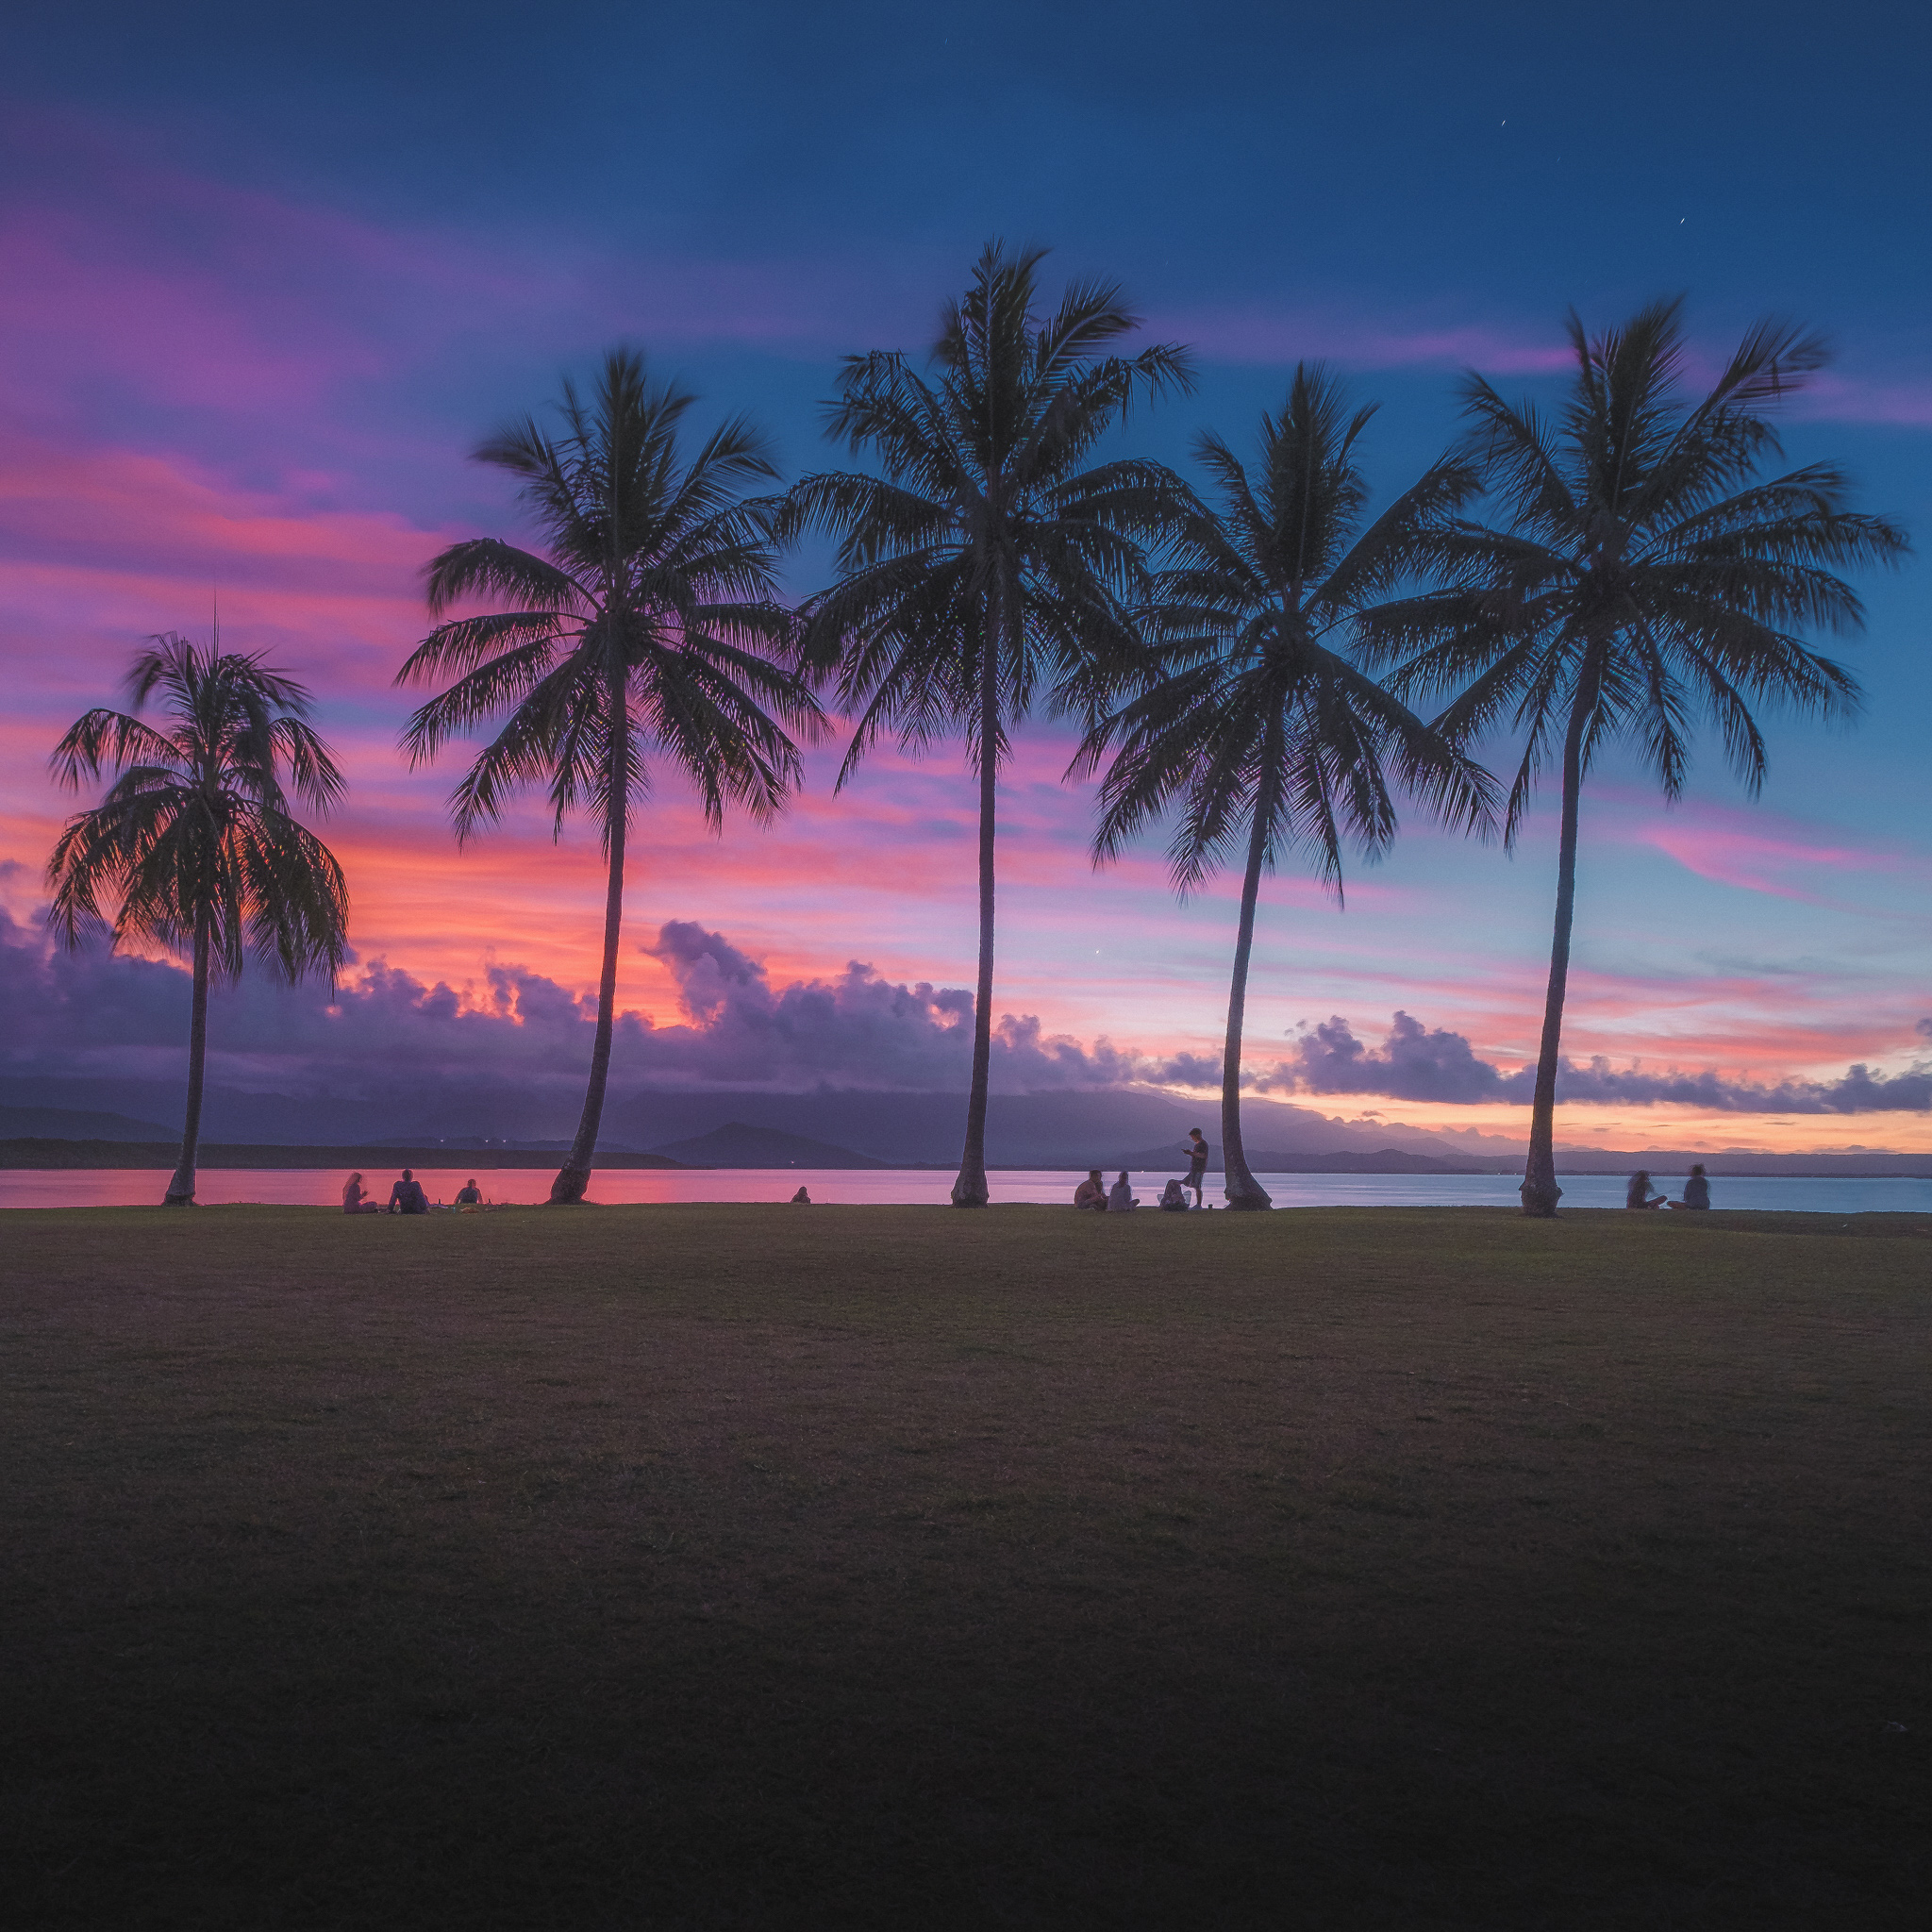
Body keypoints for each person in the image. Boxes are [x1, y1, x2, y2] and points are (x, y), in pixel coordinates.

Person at [1183, 1127, 1209, 1208]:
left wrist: (1191, 1153)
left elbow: (1203, 1155)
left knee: (1197, 1186)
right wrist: (1191, 1153)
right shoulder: (1197, 1144)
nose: (1192, 1138)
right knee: (1187, 1182)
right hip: (1194, 1168)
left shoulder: (1203, 1144)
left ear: (1197, 1135)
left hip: (1199, 1168)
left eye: (1192, 1136)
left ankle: (1198, 1205)